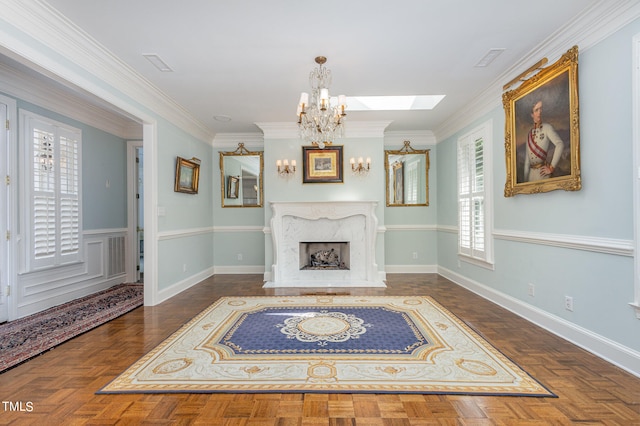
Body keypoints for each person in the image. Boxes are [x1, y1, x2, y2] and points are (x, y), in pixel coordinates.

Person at [523, 100, 565, 182]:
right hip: (531, 176)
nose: (540, 112)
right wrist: (524, 180)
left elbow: (560, 144)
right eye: (536, 110)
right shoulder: (529, 134)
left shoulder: (547, 128)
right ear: (532, 114)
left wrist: (551, 167)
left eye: (541, 109)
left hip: (542, 174)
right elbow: (527, 161)